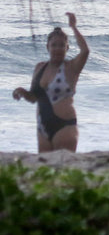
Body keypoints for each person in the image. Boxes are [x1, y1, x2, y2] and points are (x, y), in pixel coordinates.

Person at [11, 12, 89, 153]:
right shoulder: (40, 67)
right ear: (48, 47)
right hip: (42, 128)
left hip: (65, 126)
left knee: (64, 170)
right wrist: (21, 91)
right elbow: (34, 97)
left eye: (62, 45)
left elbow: (85, 51)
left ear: (67, 48)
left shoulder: (71, 67)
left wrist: (73, 27)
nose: (58, 48)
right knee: (45, 170)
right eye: (54, 45)